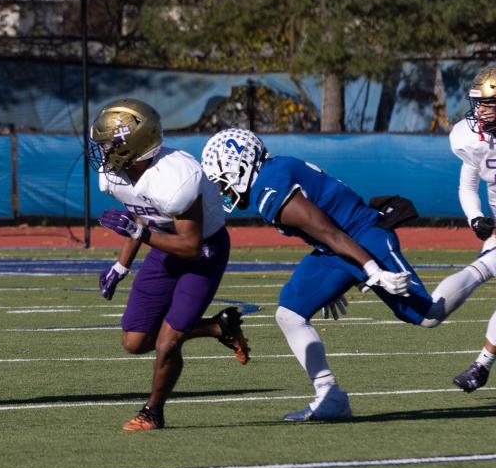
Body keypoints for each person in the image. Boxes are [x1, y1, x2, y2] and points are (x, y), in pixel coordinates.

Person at [201, 127, 496, 422]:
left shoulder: (269, 188)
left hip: (363, 238)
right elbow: (322, 231)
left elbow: (327, 230)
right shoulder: (271, 176)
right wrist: (333, 280)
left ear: (239, 165)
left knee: (428, 314)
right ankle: (330, 396)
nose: (222, 190)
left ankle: (485, 264)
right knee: (289, 312)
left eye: (221, 180)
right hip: (337, 246)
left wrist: (370, 269)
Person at [89, 98, 250, 432]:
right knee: (134, 342)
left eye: (108, 144)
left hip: (202, 250)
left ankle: (153, 412)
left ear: (131, 145)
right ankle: (219, 327)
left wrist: (138, 232)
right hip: (163, 243)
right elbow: (139, 209)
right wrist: (121, 266)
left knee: (167, 341)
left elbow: (190, 246)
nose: (103, 152)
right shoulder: (118, 174)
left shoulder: (177, 177)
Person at [449, 65, 496, 392]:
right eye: (478, 103)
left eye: (488, 104)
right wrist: (476, 218)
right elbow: (467, 186)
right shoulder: (473, 138)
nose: (479, 110)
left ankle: (481, 365)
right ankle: (481, 366)